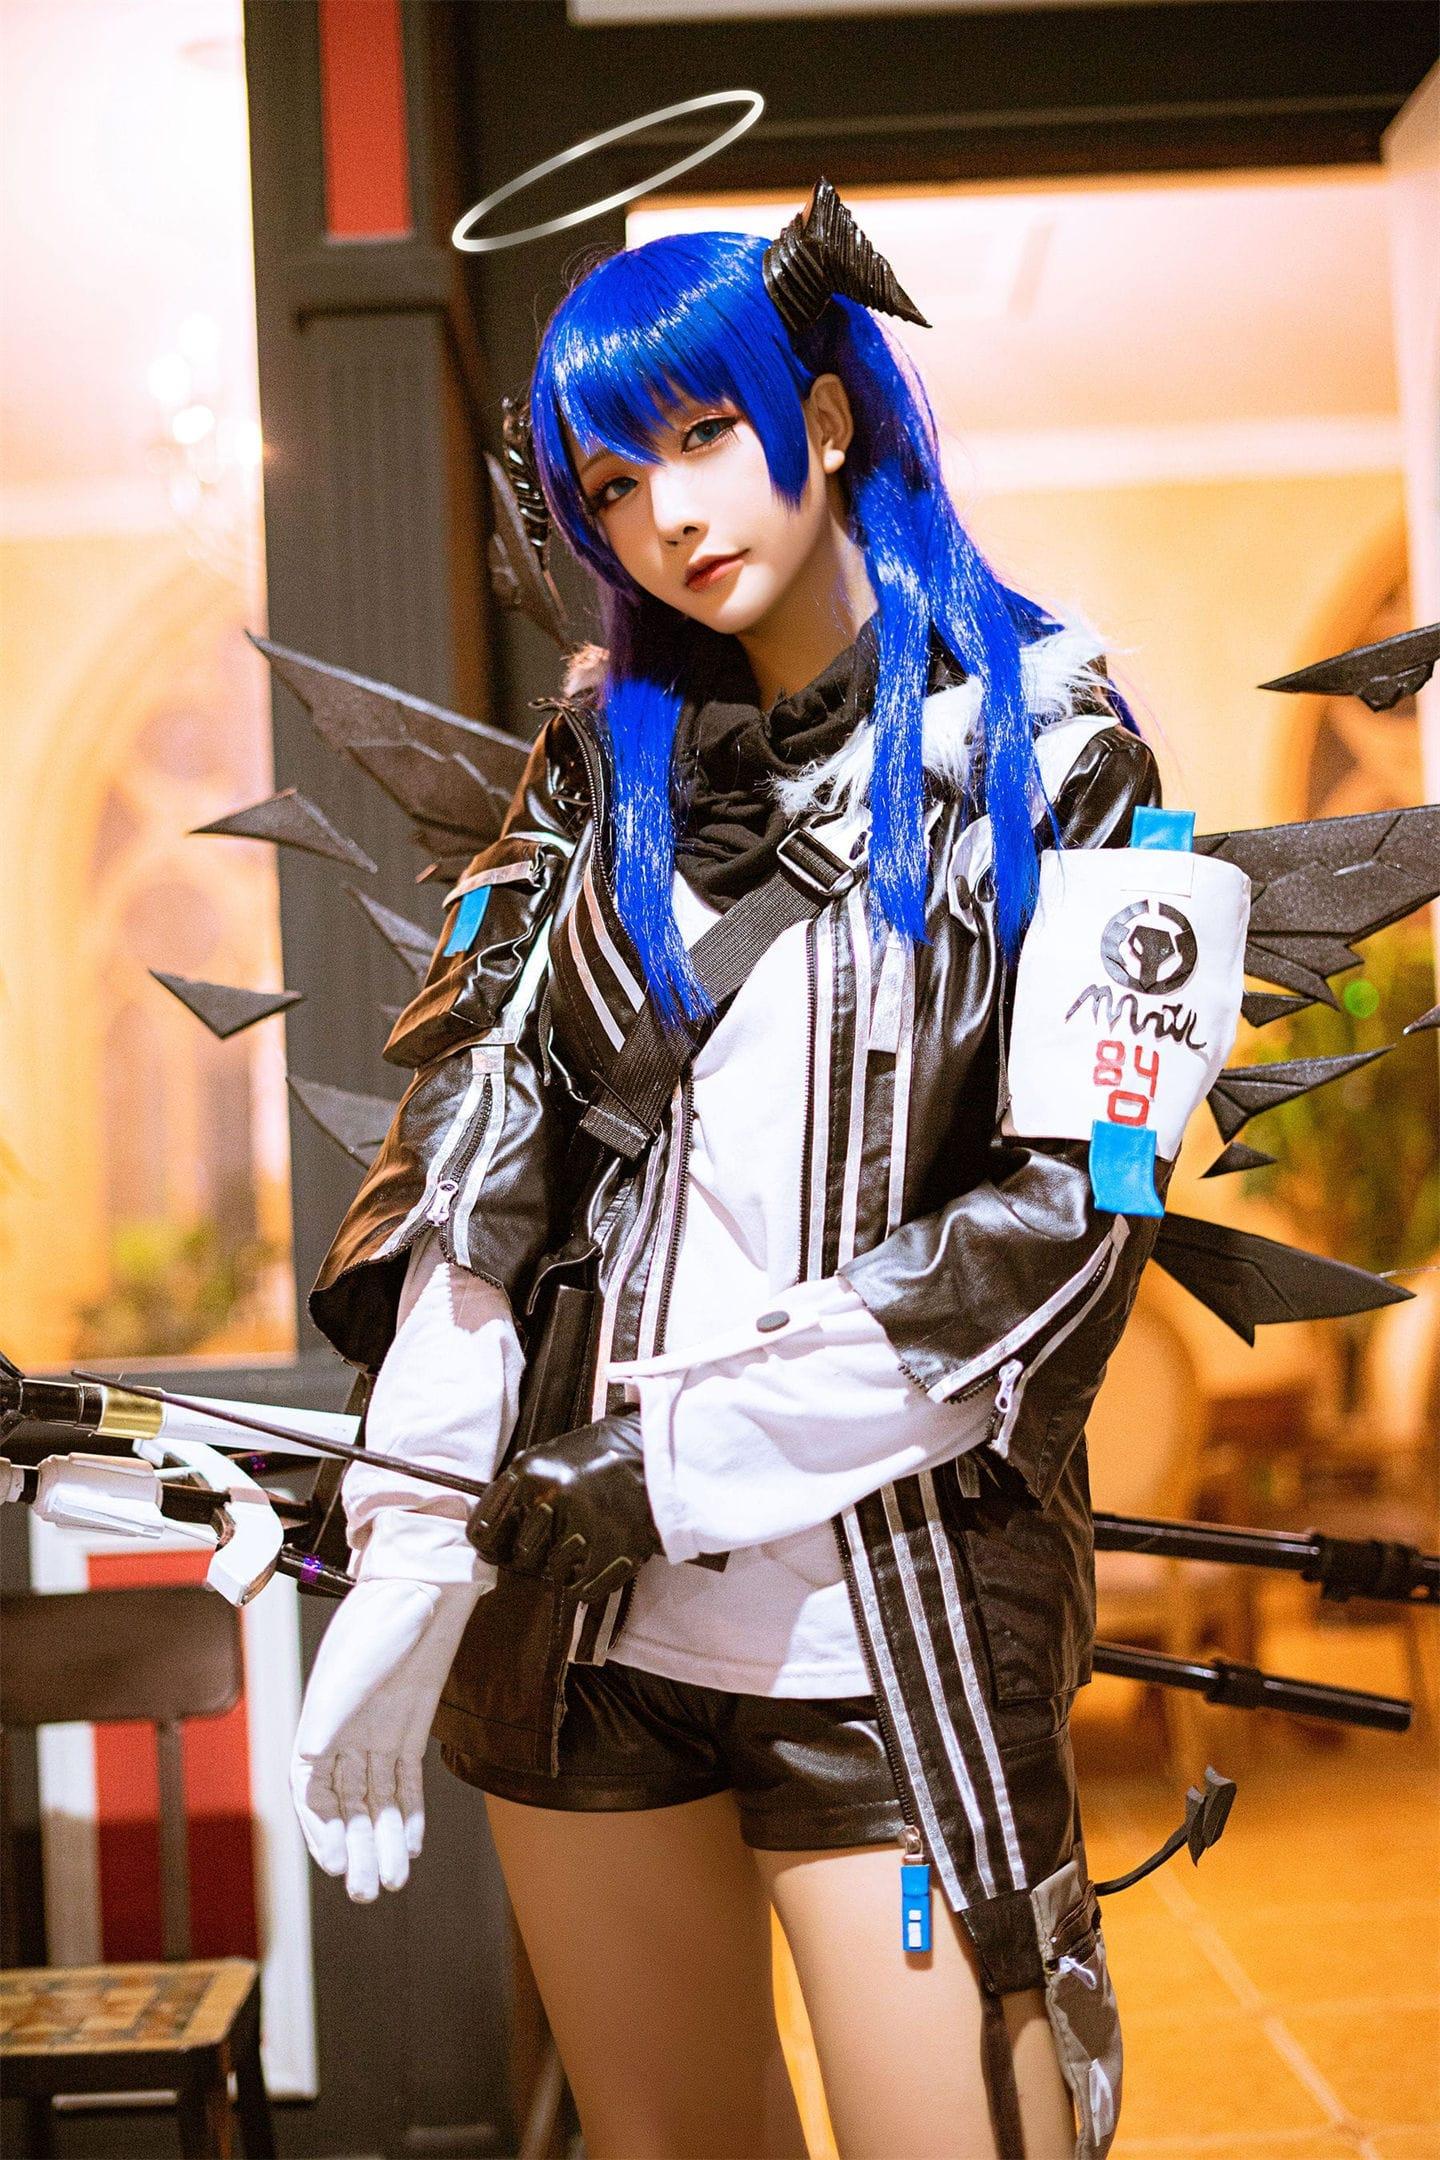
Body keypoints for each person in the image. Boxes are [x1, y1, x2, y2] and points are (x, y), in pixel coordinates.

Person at [290, 191, 1247, 2160]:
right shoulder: (598, 776)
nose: (668, 513)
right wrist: (415, 1532)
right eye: (611, 484)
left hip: (882, 1632)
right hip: (579, 1632)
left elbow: (1071, 1223)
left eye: (704, 434)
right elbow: (481, 1132)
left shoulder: (1059, 758)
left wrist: (672, 1462)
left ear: (820, 414)